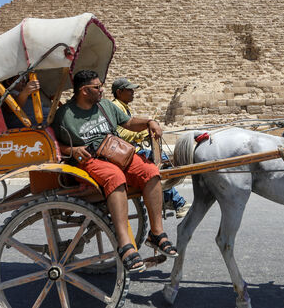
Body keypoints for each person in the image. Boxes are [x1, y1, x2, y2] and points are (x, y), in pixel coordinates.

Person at [51, 69, 177, 273]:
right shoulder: (64, 115)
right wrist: (71, 150)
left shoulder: (105, 105)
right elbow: (53, 144)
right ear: (84, 91)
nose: (102, 90)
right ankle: (124, 244)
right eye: (97, 87)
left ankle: (157, 233)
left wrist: (149, 122)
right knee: (114, 177)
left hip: (118, 153)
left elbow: (128, 122)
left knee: (150, 171)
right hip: (91, 160)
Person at [110, 77, 191, 219]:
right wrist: (142, 133)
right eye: (129, 90)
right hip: (126, 152)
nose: (133, 93)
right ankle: (175, 202)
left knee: (164, 161)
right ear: (119, 92)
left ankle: (167, 197)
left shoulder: (123, 106)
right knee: (158, 165)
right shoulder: (116, 106)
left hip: (129, 149)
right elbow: (120, 133)